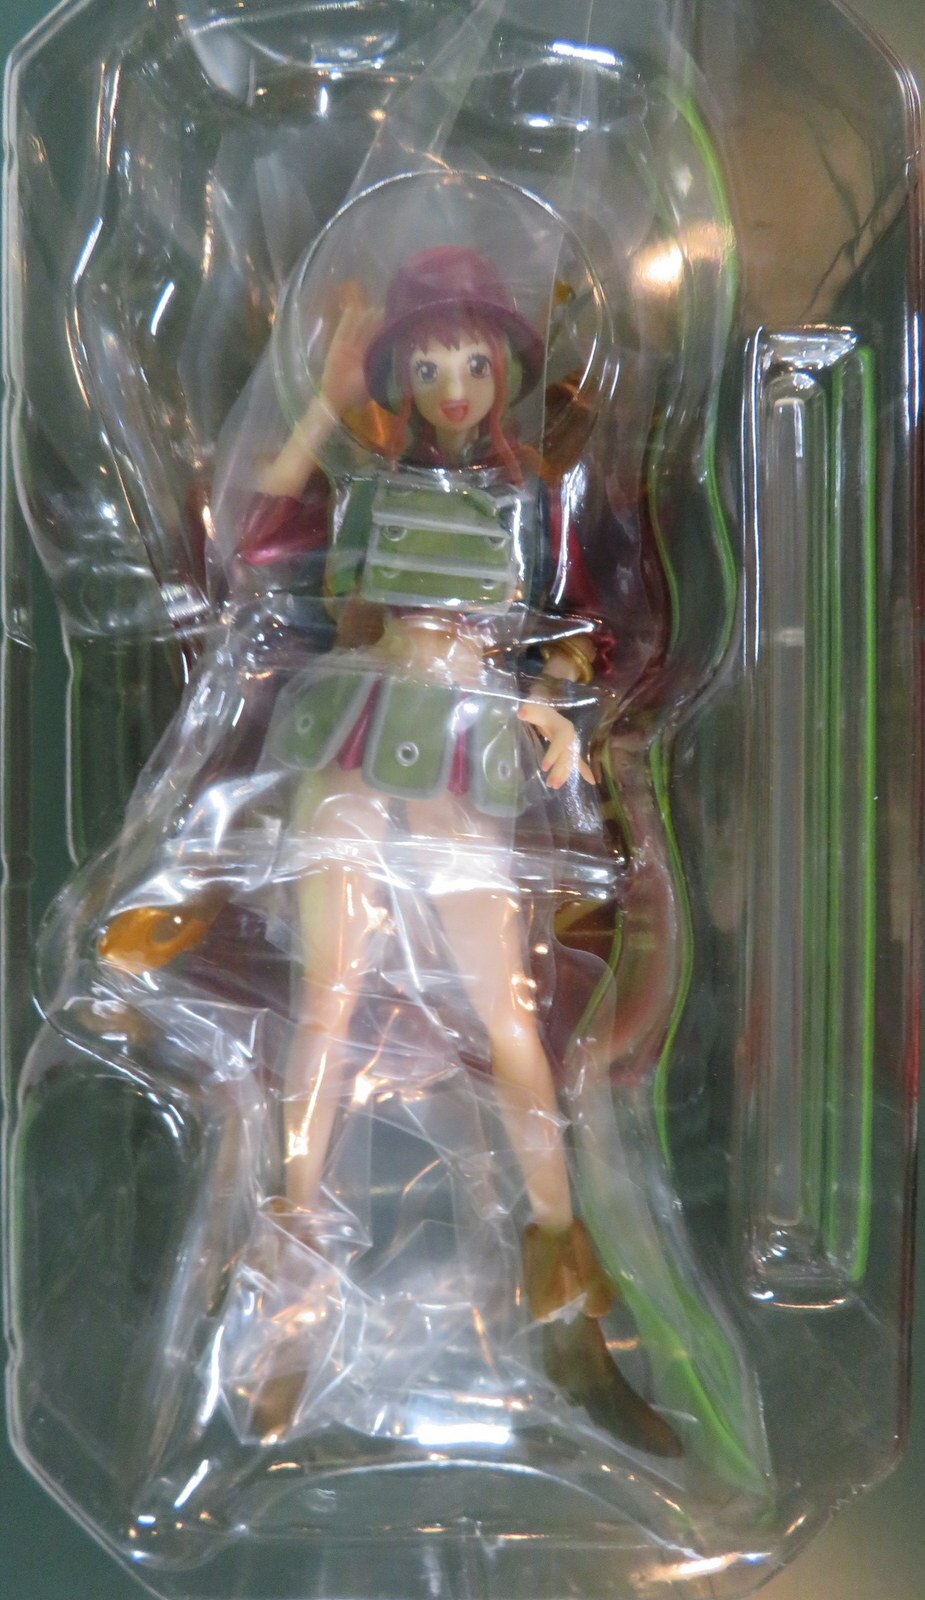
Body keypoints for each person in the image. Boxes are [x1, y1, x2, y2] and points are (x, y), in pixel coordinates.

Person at [103, 244, 681, 1457]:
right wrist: (318, 398)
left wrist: (551, 706)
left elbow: (570, 630)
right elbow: (256, 527)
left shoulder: (529, 502)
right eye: (428, 365)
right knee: (326, 1001)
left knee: (507, 1014)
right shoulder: (367, 484)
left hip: (462, 746)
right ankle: (286, 1274)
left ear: (503, 371)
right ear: (399, 379)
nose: (452, 386)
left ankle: (562, 1271)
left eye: (472, 363)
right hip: (357, 734)